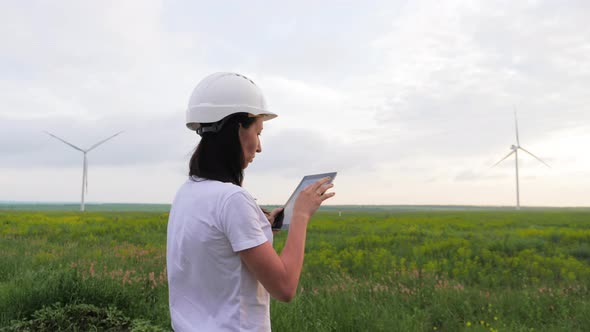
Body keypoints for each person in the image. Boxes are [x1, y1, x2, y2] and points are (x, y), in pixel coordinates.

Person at [166, 72, 335, 331]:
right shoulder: (233, 200)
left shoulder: (187, 192)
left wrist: (262, 225)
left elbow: (216, 246)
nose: (259, 147)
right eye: (258, 131)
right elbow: (285, 286)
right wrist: (300, 215)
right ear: (238, 128)